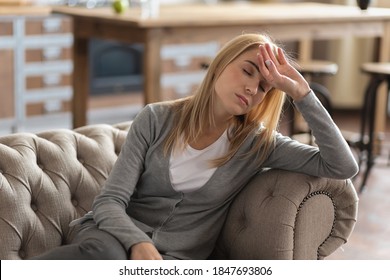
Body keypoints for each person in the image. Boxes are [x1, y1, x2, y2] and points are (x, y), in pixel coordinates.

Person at [31, 33, 358, 260]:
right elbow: (109, 203)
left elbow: (343, 166)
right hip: (110, 238)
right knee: (107, 256)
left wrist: (301, 93)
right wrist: (139, 243)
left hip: (173, 261)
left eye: (263, 87)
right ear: (221, 64)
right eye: (247, 70)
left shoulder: (257, 144)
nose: (251, 87)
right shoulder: (156, 118)